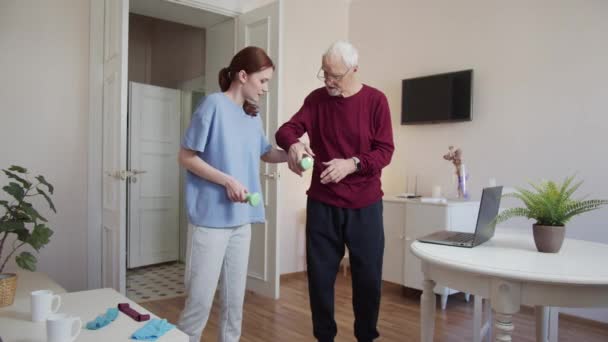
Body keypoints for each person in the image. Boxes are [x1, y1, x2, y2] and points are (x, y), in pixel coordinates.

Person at [275, 41, 394, 342]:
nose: (328, 80)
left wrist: (352, 164)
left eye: (335, 75)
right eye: (325, 72)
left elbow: (385, 151)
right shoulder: (316, 100)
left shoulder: (376, 101)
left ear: (354, 70)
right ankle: (324, 337)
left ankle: (366, 336)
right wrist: (294, 144)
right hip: (323, 204)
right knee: (319, 278)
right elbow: (285, 130)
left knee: (367, 280)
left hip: (365, 205)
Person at [177, 46, 287, 342]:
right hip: (210, 222)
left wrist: (292, 155)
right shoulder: (213, 105)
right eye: (262, 81)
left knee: (234, 305)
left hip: (241, 221)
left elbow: (266, 153)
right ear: (242, 76)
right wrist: (227, 180)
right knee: (199, 304)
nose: (265, 89)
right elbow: (186, 157)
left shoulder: (252, 115)